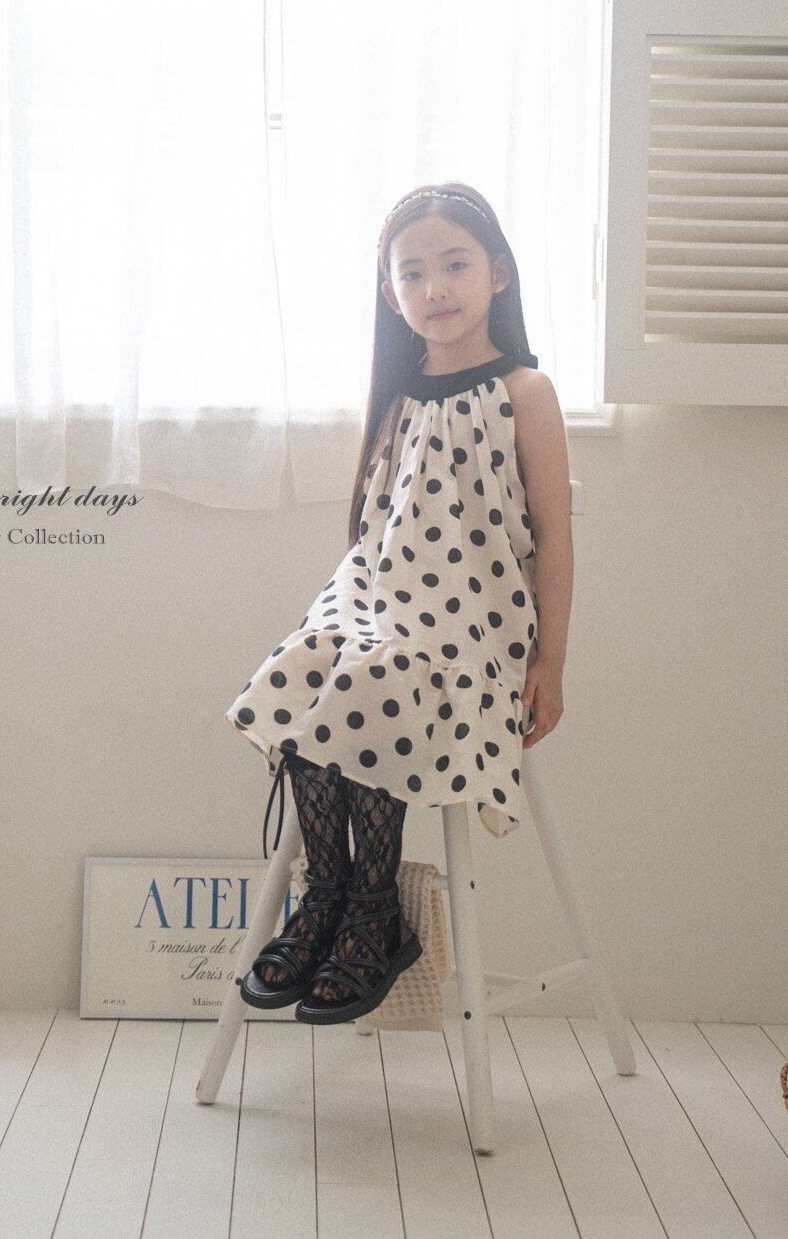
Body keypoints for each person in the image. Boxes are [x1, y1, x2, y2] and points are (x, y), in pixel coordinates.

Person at [225, 181, 572, 1026]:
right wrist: (357, 611)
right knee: (305, 664)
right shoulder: (396, 392)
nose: (434, 287)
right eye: (412, 273)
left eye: (454, 265)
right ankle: (331, 894)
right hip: (377, 595)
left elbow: (555, 538)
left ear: (497, 272)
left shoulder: (524, 392)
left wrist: (552, 662)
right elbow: (377, 527)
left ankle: (376, 912)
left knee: (375, 672)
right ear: (391, 293)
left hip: (474, 614)